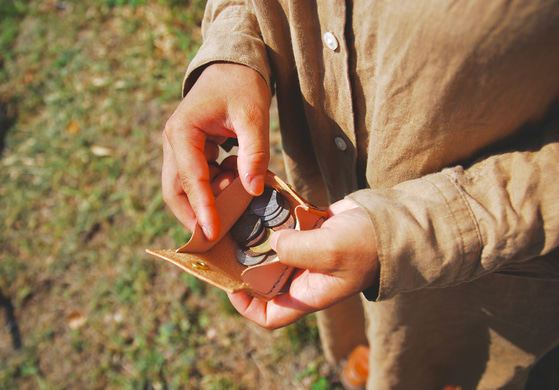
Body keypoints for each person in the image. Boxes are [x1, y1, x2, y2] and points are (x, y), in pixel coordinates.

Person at [161, 1, 559, 389]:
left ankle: (428, 371)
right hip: (323, 171)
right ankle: (371, 347)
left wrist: (413, 230)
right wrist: (231, 51)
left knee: (438, 346)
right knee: (361, 317)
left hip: (486, 248)